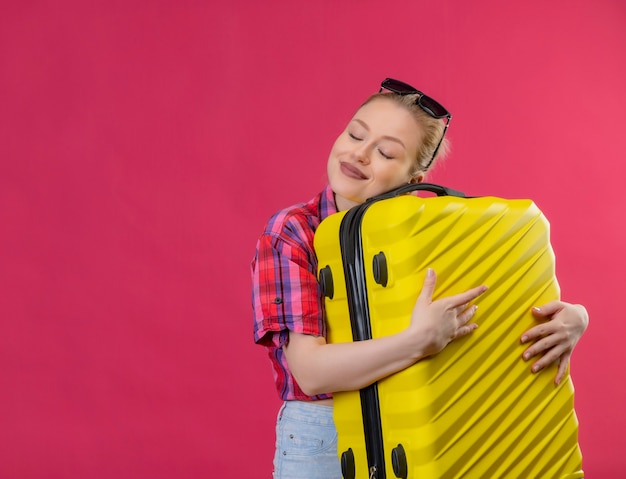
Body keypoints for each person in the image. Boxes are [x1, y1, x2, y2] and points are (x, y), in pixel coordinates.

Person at [251, 78, 589, 478]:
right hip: (325, 439)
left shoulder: (441, 235)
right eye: (355, 133)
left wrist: (572, 318)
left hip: (423, 428)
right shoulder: (292, 232)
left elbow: (488, 318)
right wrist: (418, 342)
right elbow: (311, 373)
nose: (359, 154)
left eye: (385, 152)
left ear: (414, 182)